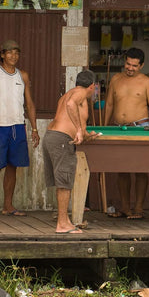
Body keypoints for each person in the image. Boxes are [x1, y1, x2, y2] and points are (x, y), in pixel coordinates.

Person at [104, 47, 149, 220]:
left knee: (140, 169)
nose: (130, 68)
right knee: (122, 170)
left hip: (141, 128)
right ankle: (126, 208)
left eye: (134, 65)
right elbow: (109, 105)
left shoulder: (146, 82)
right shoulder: (115, 79)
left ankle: (139, 209)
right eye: (128, 64)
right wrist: (103, 128)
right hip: (118, 128)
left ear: (141, 66)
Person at [43, 70, 99, 233]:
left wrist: (87, 134)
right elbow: (70, 106)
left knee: (63, 182)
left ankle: (65, 220)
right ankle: (62, 224)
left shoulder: (68, 94)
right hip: (61, 139)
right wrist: (80, 131)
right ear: (92, 86)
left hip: (52, 137)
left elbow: (73, 119)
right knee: (65, 182)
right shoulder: (80, 93)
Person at [1, 40, 40, 217]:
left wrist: (34, 128)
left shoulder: (22, 75)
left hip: (17, 126)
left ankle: (8, 206)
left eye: (16, 53)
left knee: (12, 167)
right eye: (9, 52)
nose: (13, 56)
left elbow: (29, 103)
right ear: (2, 55)